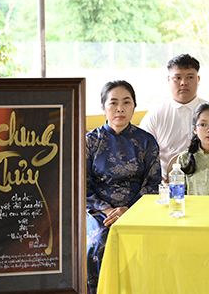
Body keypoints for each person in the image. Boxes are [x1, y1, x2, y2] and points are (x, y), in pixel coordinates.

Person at [86, 80, 161, 294]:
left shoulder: (146, 141)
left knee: (149, 243)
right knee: (100, 242)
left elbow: (153, 183)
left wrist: (128, 210)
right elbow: (82, 185)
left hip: (137, 208)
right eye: (113, 103)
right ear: (103, 108)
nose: (120, 108)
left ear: (134, 106)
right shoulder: (91, 141)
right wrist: (108, 210)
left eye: (126, 102)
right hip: (100, 212)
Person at [140, 54, 209, 180]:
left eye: (190, 77)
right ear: (169, 80)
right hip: (169, 183)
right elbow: (142, 157)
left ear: (198, 79)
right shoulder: (155, 115)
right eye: (177, 78)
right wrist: (162, 183)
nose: (183, 83)